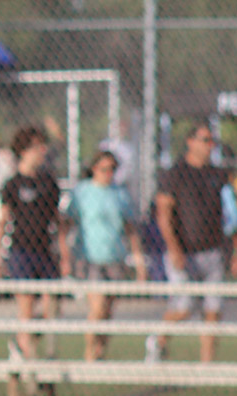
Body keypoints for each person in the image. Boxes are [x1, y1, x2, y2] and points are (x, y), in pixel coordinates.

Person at [147, 122, 237, 363]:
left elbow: (232, 215)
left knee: (213, 310)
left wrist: (235, 251)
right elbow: (163, 214)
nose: (210, 146)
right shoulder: (175, 173)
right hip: (184, 251)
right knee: (184, 306)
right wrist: (173, 248)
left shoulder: (218, 175)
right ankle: (157, 340)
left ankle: (207, 364)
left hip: (212, 251)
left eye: (212, 141)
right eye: (205, 140)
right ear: (190, 141)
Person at [0, 123, 68, 361]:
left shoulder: (49, 182)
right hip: (21, 252)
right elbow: (2, 222)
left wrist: (65, 256)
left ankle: (21, 344)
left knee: (52, 308)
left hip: (45, 251)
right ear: (23, 150)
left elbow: (58, 222)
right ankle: (31, 370)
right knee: (26, 310)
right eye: (36, 147)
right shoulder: (12, 185)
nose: (42, 150)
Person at [64, 150, 147, 361]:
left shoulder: (120, 194)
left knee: (108, 312)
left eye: (112, 169)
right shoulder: (82, 192)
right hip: (89, 257)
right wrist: (65, 254)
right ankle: (90, 352)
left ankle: (100, 350)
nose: (108, 173)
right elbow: (67, 222)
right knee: (98, 308)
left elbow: (130, 230)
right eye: (104, 169)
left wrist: (138, 262)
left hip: (115, 257)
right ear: (94, 169)